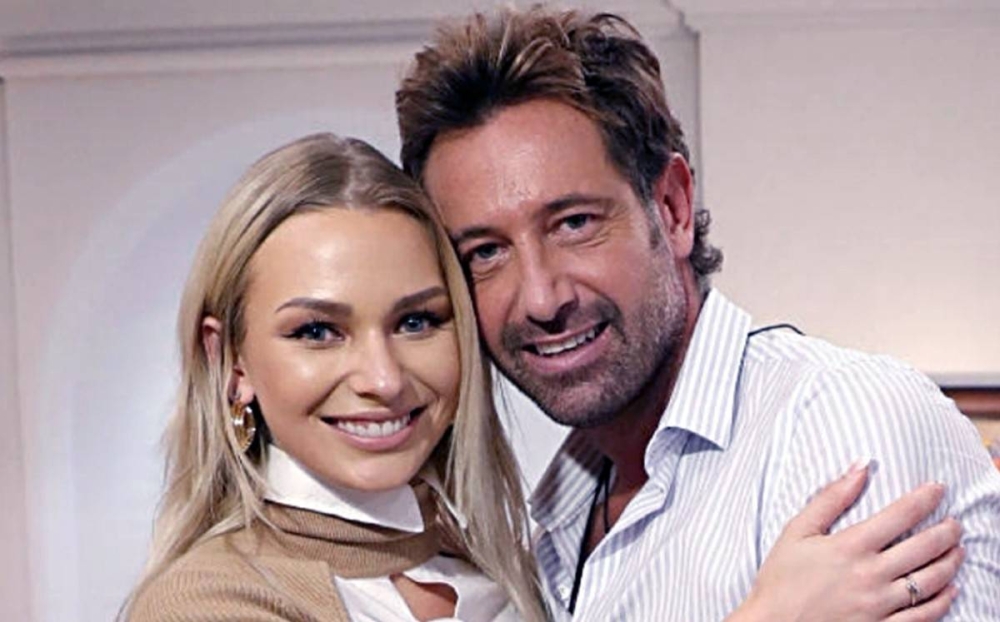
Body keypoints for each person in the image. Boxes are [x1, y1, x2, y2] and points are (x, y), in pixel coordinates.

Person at [123, 132, 961, 622]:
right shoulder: (211, 601)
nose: (382, 377)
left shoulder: (509, 563)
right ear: (229, 362)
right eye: (317, 331)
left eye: (417, 321)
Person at [395, 7, 1000, 620]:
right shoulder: (558, 516)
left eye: (574, 223)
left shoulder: (836, 420)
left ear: (673, 207)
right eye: (486, 252)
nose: (541, 299)